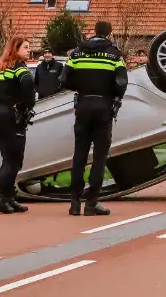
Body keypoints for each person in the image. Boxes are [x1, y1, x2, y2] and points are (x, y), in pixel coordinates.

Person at [60, 21, 127, 216]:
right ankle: (91, 203)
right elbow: (122, 81)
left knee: (79, 155)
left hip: (83, 106)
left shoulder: (78, 53)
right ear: (109, 33)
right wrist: (112, 93)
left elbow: (63, 79)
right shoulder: (114, 54)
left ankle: (74, 203)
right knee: (99, 156)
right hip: (103, 107)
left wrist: (80, 88)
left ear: (94, 32)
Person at [0, 37, 36, 214]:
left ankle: (9, 197)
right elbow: (28, 83)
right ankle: (2, 198)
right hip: (11, 115)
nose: (29, 50)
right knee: (13, 159)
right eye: (26, 47)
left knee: (9, 157)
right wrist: (27, 104)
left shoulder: (2, 67)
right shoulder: (19, 67)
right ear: (16, 49)